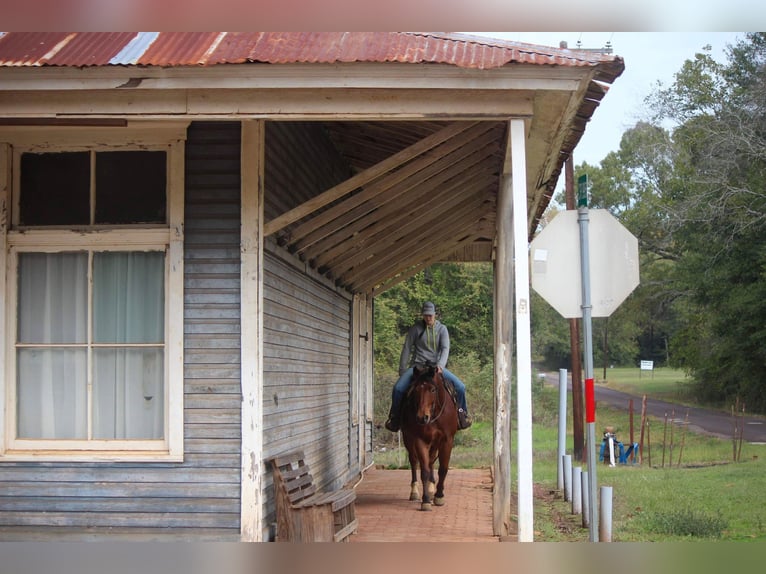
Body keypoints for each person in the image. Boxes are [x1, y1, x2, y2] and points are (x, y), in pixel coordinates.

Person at [384, 301, 472, 432]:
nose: (428, 318)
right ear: (423, 315)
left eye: (430, 315)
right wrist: (402, 369)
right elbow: (407, 348)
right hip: (417, 366)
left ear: (435, 315)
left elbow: (445, 348)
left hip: (436, 367)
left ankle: (462, 414)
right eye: (426, 315)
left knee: (460, 387)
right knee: (398, 389)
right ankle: (395, 418)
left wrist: (441, 365)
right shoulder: (415, 329)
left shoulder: (442, 329)